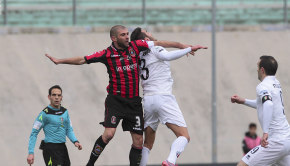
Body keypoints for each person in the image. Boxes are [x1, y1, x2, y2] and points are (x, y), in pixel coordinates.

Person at [45, 25, 200, 166]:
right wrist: (60, 61)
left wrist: (182, 45)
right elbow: (82, 60)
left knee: (139, 141)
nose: (127, 37)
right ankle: (90, 164)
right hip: (116, 101)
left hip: (134, 103)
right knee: (109, 135)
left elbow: (159, 43)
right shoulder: (107, 54)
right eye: (123, 35)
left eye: (127, 34)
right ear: (114, 38)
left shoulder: (136, 46)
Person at [130, 27, 207, 166]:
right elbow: (167, 56)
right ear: (146, 39)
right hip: (163, 98)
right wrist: (188, 49)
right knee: (184, 136)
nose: (150, 32)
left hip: (147, 100)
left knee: (147, 144)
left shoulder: (139, 55)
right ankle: (170, 161)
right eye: (147, 31)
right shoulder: (155, 48)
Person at [231, 56, 290, 166]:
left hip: (275, 142)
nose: (256, 70)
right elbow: (263, 103)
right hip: (287, 139)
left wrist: (265, 132)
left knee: (242, 165)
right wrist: (243, 101)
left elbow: (268, 104)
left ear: (262, 70)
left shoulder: (262, 86)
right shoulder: (276, 83)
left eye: (257, 67)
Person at [27, 85, 82, 166]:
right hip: (50, 149)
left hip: (62, 148)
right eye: (54, 95)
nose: (56, 97)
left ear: (61, 97)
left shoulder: (65, 112)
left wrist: (75, 141)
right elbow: (34, 133)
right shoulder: (44, 114)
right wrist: (31, 153)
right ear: (49, 97)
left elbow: (69, 129)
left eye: (59, 95)